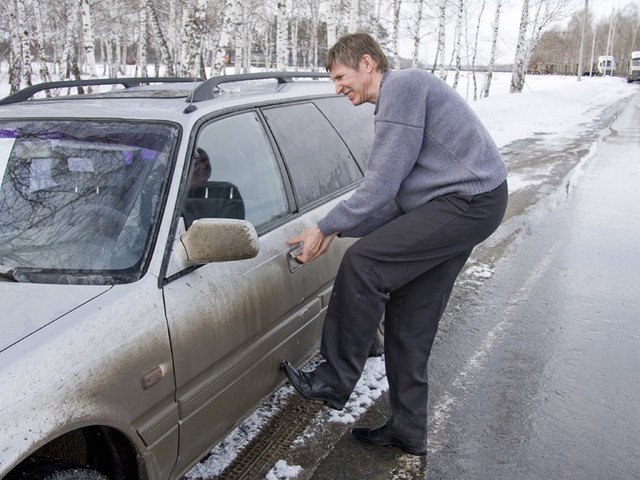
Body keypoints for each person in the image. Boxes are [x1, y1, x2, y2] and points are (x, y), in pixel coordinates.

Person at [281, 33, 508, 457]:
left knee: (364, 264)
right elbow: (401, 197)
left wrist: (327, 225)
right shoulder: (403, 94)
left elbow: (381, 185)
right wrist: (336, 229)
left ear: (367, 63)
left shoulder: (400, 88)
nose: (337, 88)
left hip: (467, 200)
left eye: (340, 76)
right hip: (465, 202)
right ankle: (408, 428)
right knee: (409, 316)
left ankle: (334, 377)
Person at [183, 147, 244, 227]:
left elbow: (227, 230)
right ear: (184, 169)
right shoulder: (172, 199)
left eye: (204, 160)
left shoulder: (228, 192)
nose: (202, 166)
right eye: (196, 163)